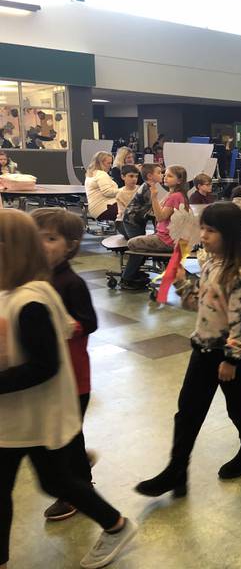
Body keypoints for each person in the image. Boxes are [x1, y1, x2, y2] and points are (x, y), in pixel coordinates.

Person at [0, 209, 137, 569]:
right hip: (16, 418)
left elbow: (46, 365)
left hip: (34, 415)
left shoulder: (33, 299)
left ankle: (115, 523)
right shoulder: (15, 291)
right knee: (52, 480)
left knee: (58, 480)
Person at [135, 203, 241, 498]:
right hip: (203, 349)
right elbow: (199, 304)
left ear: (229, 234)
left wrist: (231, 359)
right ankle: (176, 470)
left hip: (233, 356)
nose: (203, 235)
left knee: (240, 410)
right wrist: (181, 282)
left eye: (210, 230)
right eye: (202, 229)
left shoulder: (239, 272)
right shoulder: (210, 264)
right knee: (188, 412)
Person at [31, 209, 98, 521]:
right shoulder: (36, 278)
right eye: (38, 237)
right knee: (63, 433)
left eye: (51, 238)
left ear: (70, 245)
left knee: (66, 434)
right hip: (46, 374)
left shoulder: (71, 283)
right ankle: (78, 468)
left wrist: (65, 324)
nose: (42, 244)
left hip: (73, 377)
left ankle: (76, 490)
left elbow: (89, 322)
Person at [120, 165, 189, 290]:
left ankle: (128, 277)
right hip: (134, 221)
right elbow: (158, 214)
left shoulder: (173, 196)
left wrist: (154, 198)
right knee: (138, 244)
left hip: (166, 239)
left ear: (179, 180)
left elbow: (160, 216)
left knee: (133, 244)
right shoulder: (171, 193)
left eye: (169, 175)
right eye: (163, 173)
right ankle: (132, 274)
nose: (164, 177)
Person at [120, 163, 161, 241]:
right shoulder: (147, 189)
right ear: (150, 176)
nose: (162, 175)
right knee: (137, 244)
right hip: (132, 221)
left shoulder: (150, 187)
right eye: (159, 173)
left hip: (138, 219)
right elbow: (153, 210)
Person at [85, 151, 119, 221]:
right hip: (105, 208)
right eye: (108, 163)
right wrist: (123, 190)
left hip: (95, 210)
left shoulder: (91, 174)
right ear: (100, 163)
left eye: (111, 163)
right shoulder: (101, 174)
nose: (110, 166)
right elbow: (107, 192)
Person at [114, 166, 139, 236]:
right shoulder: (120, 193)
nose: (134, 179)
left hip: (138, 219)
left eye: (136, 176)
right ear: (123, 177)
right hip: (123, 221)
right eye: (131, 176)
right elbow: (123, 212)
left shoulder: (140, 189)